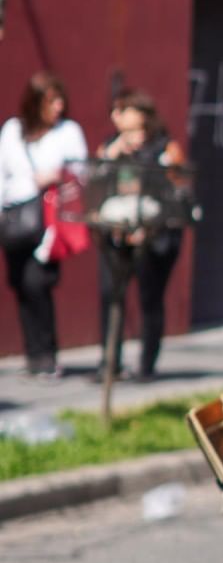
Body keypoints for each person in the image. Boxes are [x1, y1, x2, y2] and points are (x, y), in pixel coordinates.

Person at [93, 89, 186, 382]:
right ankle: (110, 363)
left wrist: (149, 227)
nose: (134, 135)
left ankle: (147, 365)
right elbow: (93, 184)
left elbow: (178, 195)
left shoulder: (165, 150)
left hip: (155, 238)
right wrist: (112, 155)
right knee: (111, 295)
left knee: (150, 298)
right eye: (127, 129)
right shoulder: (112, 149)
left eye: (138, 129)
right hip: (117, 236)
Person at [0, 71, 87, 377]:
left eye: (61, 99)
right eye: (51, 101)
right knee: (20, 285)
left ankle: (47, 353)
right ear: (35, 102)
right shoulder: (13, 130)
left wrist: (55, 175)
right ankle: (32, 354)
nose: (58, 107)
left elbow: (80, 173)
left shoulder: (68, 132)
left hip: (48, 221)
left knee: (40, 283)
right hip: (14, 217)